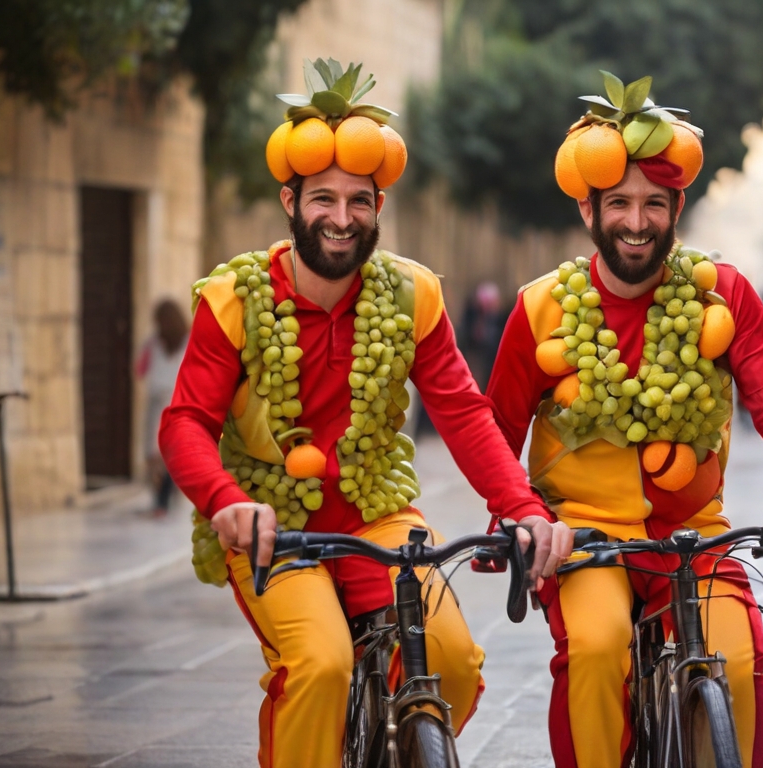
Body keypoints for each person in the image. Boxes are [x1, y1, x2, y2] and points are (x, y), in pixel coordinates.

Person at [158, 60, 571, 768]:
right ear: (289, 199)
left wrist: (524, 508)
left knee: (452, 661)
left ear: (380, 206)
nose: (343, 218)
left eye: (361, 200)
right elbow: (184, 422)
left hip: (377, 515)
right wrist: (226, 502)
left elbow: (464, 414)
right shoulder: (233, 297)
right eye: (324, 198)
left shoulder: (413, 294)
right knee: (318, 665)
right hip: (268, 527)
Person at [485, 72, 763, 768]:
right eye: (618, 202)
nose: (635, 221)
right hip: (586, 536)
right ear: (587, 210)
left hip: (697, 534)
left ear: (677, 206)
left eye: (654, 203)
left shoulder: (723, 292)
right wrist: (511, 519)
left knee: (741, 666)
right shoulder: (540, 306)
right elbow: (496, 428)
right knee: (594, 653)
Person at [136, 298, 188, 516]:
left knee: (154, 452)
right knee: (170, 449)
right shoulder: (189, 339)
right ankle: (163, 499)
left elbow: (140, 369)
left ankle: (161, 502)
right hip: (179, 398)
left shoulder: (153, 343)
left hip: (158, 400)